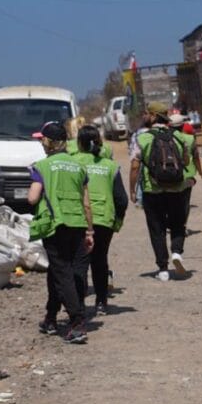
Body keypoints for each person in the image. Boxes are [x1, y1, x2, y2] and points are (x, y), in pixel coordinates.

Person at [27, 121, 94, 345]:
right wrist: (90, 231)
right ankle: (51, 317)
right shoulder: (78, 166)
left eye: (42, 140)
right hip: (77, 223)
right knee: (60, 271)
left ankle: (77, 321)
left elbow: (32, 198)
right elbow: (86, 202)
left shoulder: (41, 167)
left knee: (62, 271)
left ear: (48, 142)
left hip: (55, 225)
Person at [72, 125, 129, 316]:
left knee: (80, 262)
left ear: (78, 143)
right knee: (100, 260)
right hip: (104, 219)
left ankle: (78, 304)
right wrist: (117, 222)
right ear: (99, 142)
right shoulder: (110, 166)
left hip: (78, 219)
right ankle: (101, 303)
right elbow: (121, 199)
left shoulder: (72, 163)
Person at [129, 113, 193, 281]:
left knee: (157, 229)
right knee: (178, 223)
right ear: (168, 123)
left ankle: (163, 268)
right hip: (176, 188)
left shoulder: (143, 138)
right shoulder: (179, 137)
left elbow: (135, 166)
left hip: (152, 190)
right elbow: (186, 161)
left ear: (153, 123)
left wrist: (133, 190)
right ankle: (177, 252)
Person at [170, 113, 202, 225]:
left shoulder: (167, 139)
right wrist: (200, 172)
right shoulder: (190, 139)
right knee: (185, 201)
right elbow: (196, 158)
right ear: (182, 126)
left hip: (172, 174)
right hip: (188, 175)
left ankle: (174, 223)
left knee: (174, 201)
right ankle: (183, 224)